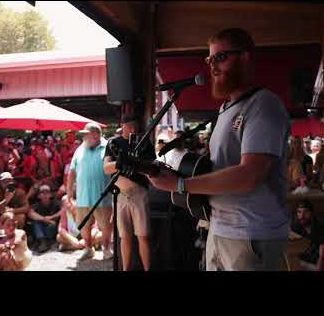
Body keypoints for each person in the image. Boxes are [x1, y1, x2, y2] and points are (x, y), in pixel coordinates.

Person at [148, 28, 290, 271]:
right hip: (219, 227)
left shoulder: (263, 104)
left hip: (251, 234)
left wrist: (180, 185)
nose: (212, 66)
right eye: (209, 59)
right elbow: (220, 167)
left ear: (245, 57)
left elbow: (250, 175)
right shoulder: (226, 109)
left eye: (221, 57)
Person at [104, 116, 156, 271]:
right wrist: (121, 162)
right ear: (122, 126)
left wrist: (137, 162)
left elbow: (152, 167)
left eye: (135, 127)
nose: (132, 130)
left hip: (139, 193)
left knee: (143, 236)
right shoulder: (113, 143)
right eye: (129, 126)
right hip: (120, 195)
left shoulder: (145, 142)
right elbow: (106, 167)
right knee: (124, 237)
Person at [67, 122, 113, 261]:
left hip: (103, 196)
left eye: (86, 134)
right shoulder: (80, 148)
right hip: (83, 197)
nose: (84, 137)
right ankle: (88, 249)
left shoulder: (108, 147)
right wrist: (69, 192)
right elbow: (72, 171)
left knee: (105, 226)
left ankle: (106, 249)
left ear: (96, 134)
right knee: (84, 226)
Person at [290, 200, 324, 271]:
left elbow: (322, 257)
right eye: (299, 212)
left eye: (306, 212)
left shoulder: (323, 229)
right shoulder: (296, 227)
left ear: (312, 213)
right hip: (302, 263)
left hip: (319, 266)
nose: (301, 216)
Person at [28, 184, 61, 253]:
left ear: (51, 195)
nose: (45, 194)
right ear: (38, 196)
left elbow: (64, 210)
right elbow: (30, 213)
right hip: (42, 229)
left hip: (52, 229)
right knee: (35, 223)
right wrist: (44, 219)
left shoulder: (56, 203)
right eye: (42, 192)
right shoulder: (36, 205)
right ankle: (43, 242)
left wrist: (52, 217)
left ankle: (48, 241)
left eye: (47, 192)